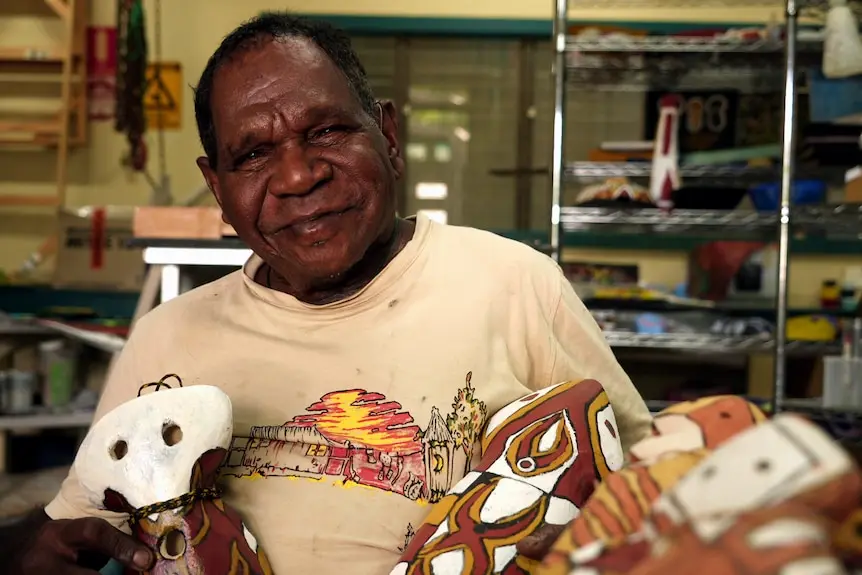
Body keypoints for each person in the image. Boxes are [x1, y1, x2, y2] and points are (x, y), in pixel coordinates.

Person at [0, 12, 652, 575]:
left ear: (389, 137)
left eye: (326, 132)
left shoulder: (514, 285)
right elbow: (75, 530)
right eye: (253, 153)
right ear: (219, 186)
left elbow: (652, 489)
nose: (298, 175)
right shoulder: (166, 337)